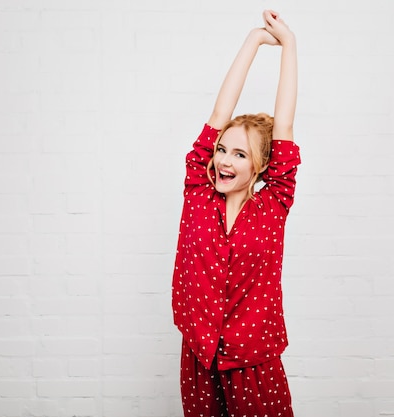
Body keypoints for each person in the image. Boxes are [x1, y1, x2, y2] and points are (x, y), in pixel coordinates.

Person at [171, 9, 300, 417]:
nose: (225, 160)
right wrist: (252, 41)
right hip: (200, 356)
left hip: (254, 362)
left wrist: (288, 46)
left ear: (260, 167)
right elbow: (217, 117)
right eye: (222, 149)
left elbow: (285, 128)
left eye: (239, 154)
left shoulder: (273, 204)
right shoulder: (198, 194)